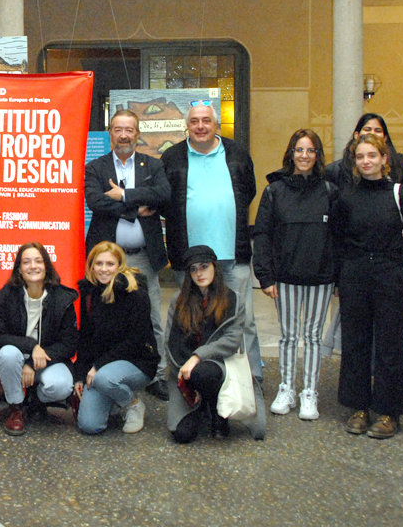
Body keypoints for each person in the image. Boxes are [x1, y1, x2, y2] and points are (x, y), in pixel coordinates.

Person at [161, 101, 262, 382]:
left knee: (244, 320)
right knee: (190, 319)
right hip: (190, 257)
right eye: (195, 121)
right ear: (187, 126)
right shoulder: (172, 157)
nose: (201, 126)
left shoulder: (238, 153)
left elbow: (248, 191)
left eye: (206, 120)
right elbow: (164, 200)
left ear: (215, 124)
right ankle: (192, 376)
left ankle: (251, 380)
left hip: (232, 254)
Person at [331, 133, 403, 439]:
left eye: (372, 155)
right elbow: (337, 237)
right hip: (354, 275)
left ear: (385, 159)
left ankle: (388, 411)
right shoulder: (346, 196)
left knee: (390, 345)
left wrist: (387, 256)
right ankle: (358, 408)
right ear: (355, 162)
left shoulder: (400, 194)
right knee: (355, 343)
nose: (366, 161)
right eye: (360, 157)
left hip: (389, 275)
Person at [84, 109, 173, 401]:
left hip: (143, 258)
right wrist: (137, 206)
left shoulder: (153, 165)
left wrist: (122, 196)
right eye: (118, 129)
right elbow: (95, 201)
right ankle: (104, 368)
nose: (123, 135)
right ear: (111, 133)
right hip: (106, 262)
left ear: (137, 134)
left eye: (129, 130)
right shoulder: (96, 167)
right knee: (105, 316)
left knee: (151, 318)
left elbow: (162, 195)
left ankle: (157, 374)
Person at [252, 129, 338, 421]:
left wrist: (337, 276)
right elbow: (262, 234)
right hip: (285, 277)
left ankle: (309, 392)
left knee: (313, 337)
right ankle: (287, 387)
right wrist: (265, 276)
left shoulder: (329, 190)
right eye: (299, 150)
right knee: (289, 336)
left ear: (318, 155)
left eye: (310, 150)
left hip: (320, 277)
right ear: (290, 154)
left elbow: (339, 236)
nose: (304, 156)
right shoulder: (275, 190)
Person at [0, 243, 78, 436]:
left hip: (47, 359)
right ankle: (16, 408)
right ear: (19, 269)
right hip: (15, 358)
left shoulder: (62, 298)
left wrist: (32, 362)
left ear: (46, 266)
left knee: (62, 385)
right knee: (7, 353)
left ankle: (36, 401)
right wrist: (32, 346)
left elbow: (69, 345)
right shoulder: (6, 295)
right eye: (27, 262)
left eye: (39, 261)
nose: (33, 266)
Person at [166, 246, 264, 442]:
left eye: (204, 266)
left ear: (215, 267)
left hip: (220, 364)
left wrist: (197, 357)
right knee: (182, 435)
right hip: (184, 369)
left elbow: (231, 340)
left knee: (204, 372)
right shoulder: (179, 300)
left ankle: (218, 413)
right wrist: (182, 367)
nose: (199, 273)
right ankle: (201, 406)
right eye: (193, 269)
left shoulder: (232, 298)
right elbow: (170, 341)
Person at [74, 242, 159, 434]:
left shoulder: (135, 293)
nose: (104, 269)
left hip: (136, 361)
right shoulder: (89, 292)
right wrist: (79, 375)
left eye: (110, 264)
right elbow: (85, 338)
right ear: (91, 266)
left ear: (120, 266)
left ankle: (132, 404)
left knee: (105, 379)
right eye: (99, 263)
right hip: (102, 367)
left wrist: (97, 366)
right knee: (89, 425)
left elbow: (136, 341)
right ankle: (112, 397)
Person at [326, 113, 403, 189]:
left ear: (385, 138)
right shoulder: (336, 170)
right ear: (356, 135)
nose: (372, 133)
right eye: (367, 129)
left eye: (378, 130)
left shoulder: (399, 163)